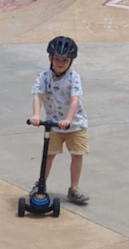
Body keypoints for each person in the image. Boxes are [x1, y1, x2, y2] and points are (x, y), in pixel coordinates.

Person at [28, 36, 91, 205]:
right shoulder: (43, 76)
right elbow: (38, 96)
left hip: (75, 124)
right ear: (50, 58)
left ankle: (74, 189)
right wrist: (36, 115)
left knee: (77, 156)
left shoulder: (74, 77)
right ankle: (40, 186)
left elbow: (74, 100)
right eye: (57, 59)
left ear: (71, 61)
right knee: (48, 155)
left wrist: (68, 119)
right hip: (53, 125)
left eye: (64, 60)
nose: (60, 63)